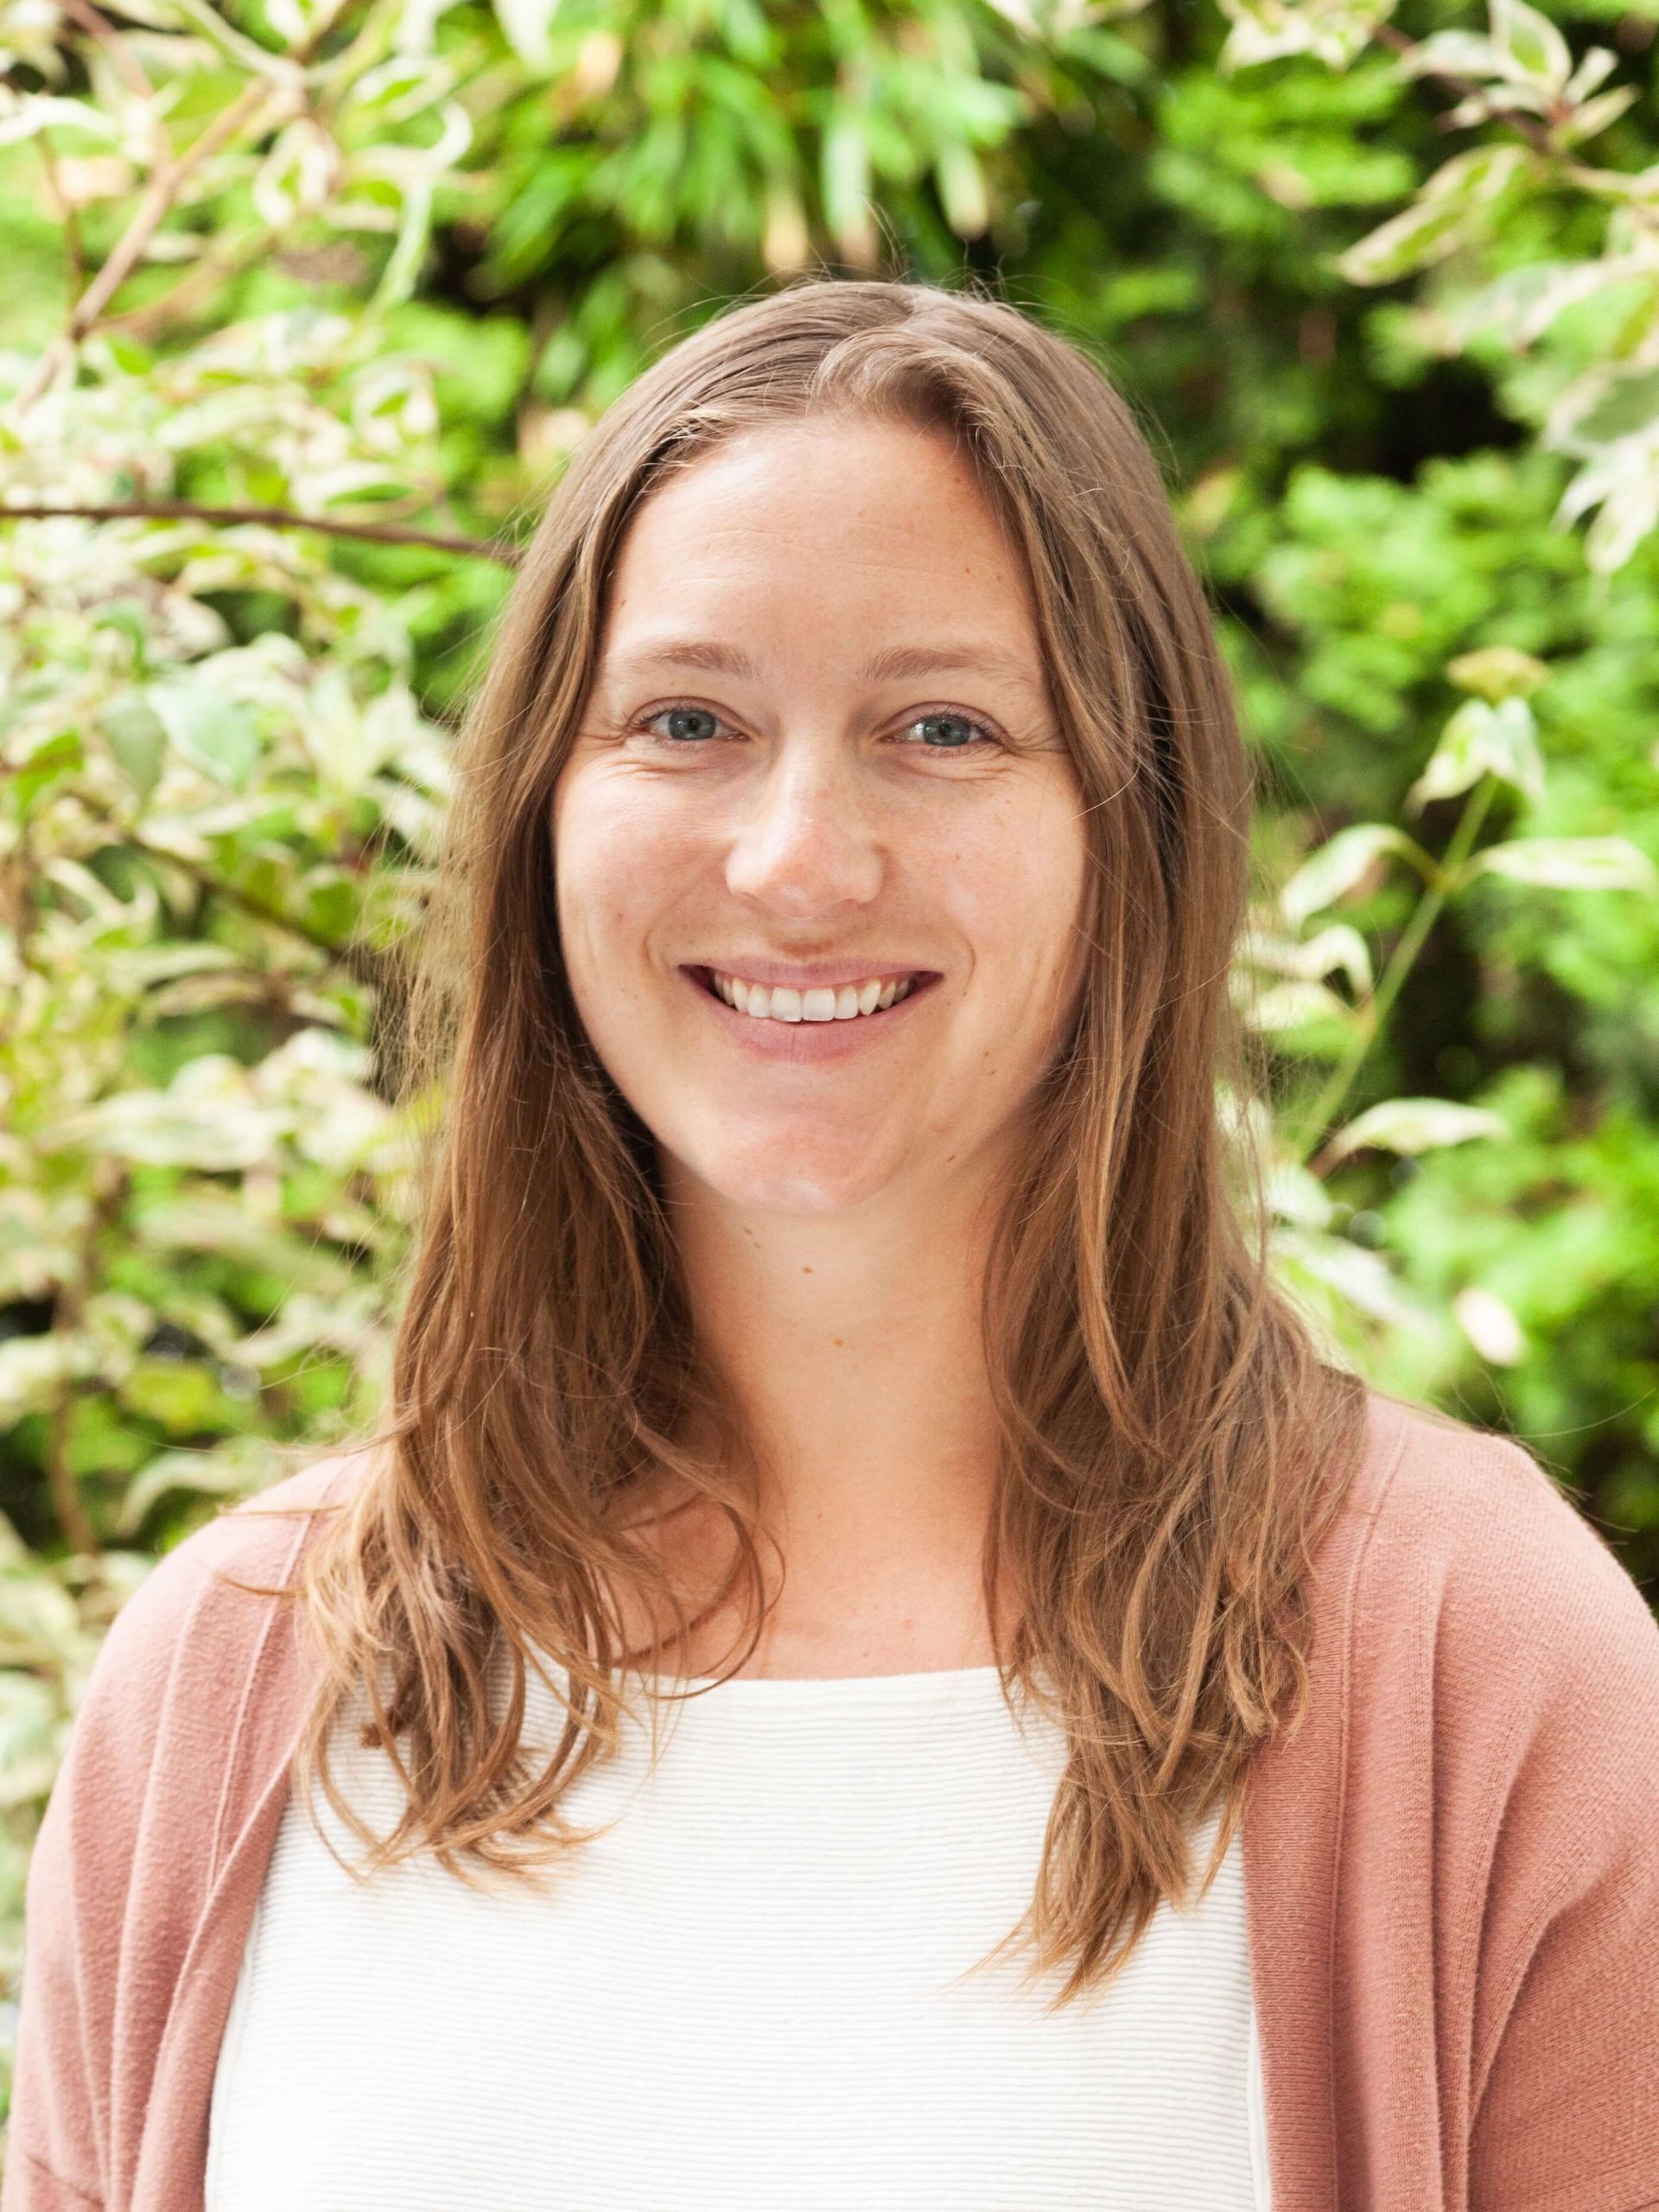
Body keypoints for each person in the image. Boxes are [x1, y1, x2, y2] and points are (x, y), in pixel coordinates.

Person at [7, 278, 1659, 2212]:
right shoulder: (231, 1681)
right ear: (544, 808)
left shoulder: (1477, 1661)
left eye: (941, 727)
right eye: (687, 718)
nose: (799, 858)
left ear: (1130, 834)